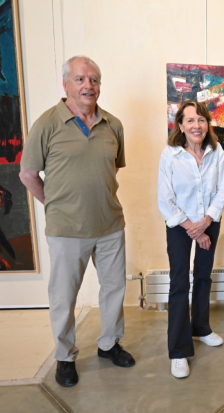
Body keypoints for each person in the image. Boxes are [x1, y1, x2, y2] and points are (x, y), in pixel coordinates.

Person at [20, 56, 135, 387]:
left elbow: (110, 169)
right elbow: (28, 174)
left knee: (114, 288)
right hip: (67, 230)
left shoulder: (113, 125)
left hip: (110, 225)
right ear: (66, 85)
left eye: (95, 79)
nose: (89, 86)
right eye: (81, 79)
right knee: (64, 296)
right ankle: (65, 356)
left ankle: (109, 344)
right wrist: (55, 205)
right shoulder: (47, 123)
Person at [157, 101, 224, 379]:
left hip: (209, 221)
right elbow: (165, 199)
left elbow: (222, 190)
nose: (196, 125)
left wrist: (206, 223)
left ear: (207, 124)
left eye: (201, 120)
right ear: (180, 126)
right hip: (180, 224)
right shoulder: (170, 155)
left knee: (203, 276)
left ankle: (201, 328)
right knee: (179, 282)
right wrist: (192, 228)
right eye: (190, 121)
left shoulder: (216, 151)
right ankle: (178, 351)